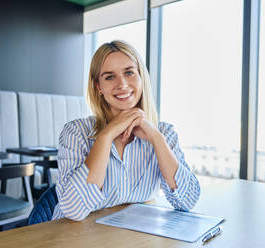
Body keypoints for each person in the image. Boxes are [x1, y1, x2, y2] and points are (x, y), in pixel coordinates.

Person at [52, 40, 200, 221]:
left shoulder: (164, 133)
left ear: (141, 78)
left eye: (129, 72)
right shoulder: (76, 132)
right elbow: (73, 211)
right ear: (98, 87)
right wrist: (106, 136)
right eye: (109, 77)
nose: (122, 84)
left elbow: (188, 201)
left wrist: (156, 138)